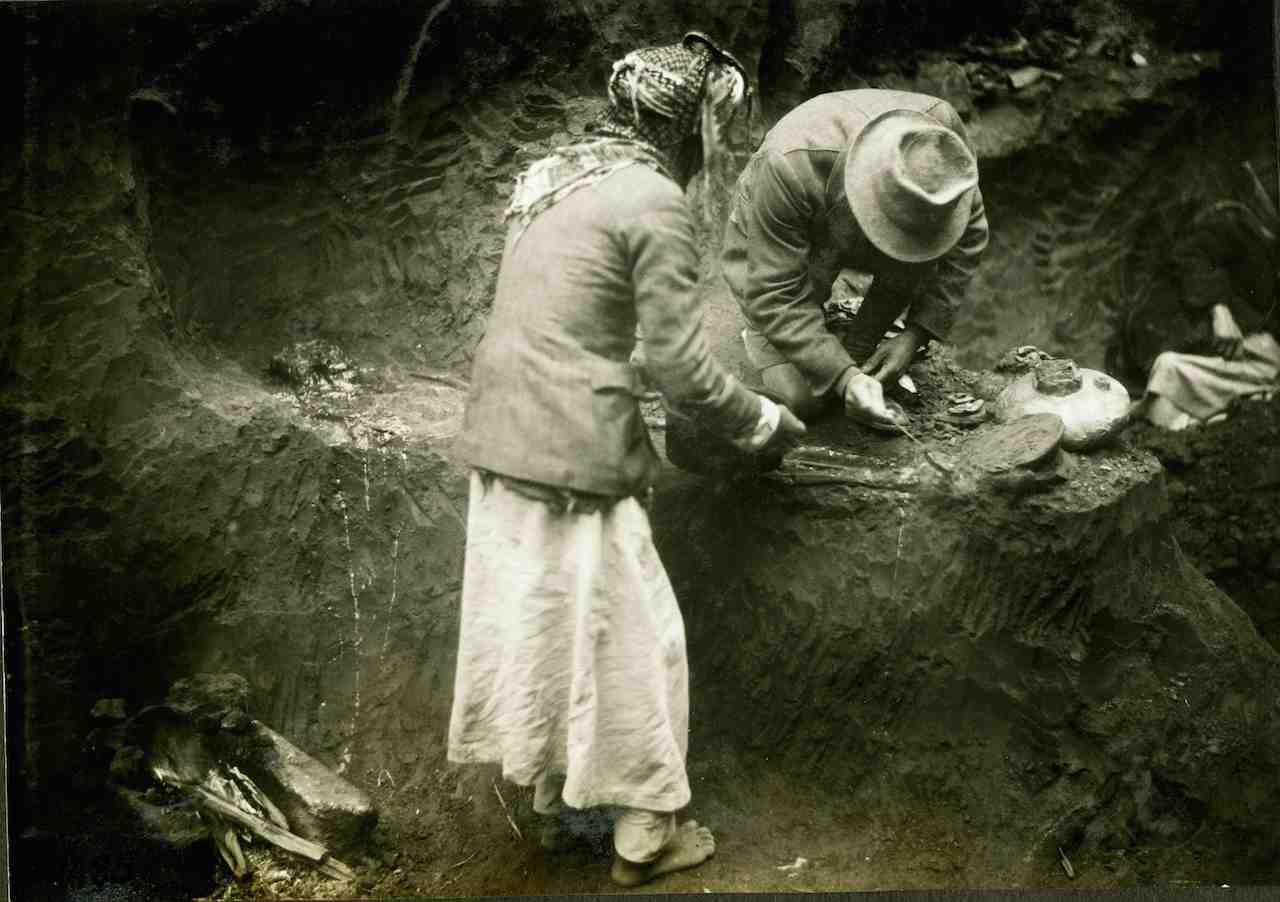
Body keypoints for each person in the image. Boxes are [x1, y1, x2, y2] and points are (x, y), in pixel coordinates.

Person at [448, 33, 805, 887]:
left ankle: (558, 804)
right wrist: (762, 420)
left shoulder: (556, 175)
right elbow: (684, 368)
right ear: (692, 129)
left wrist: (634, 364)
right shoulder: (653, 198)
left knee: (548, 624)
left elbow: (565, 313)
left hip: (501, 432)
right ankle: (645, 838)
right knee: (641, 642)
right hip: (571, 451)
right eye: (720, 130)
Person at [721, 89, 989, 429]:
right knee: (802, 399)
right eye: (890, 231)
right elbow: (775, 294)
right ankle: (774, 334)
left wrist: (915, 335)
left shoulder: (942, 142)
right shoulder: (788, 165)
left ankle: (853, 344)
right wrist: (844, 377)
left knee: (861, 361)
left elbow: (970, 233)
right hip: (782, 216)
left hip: (864, 207)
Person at [1131, 303, 1279, 430]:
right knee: (1168, 370)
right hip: (1227, 349)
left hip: (1263, 358)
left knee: (1168, 372)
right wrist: (1220, 308)